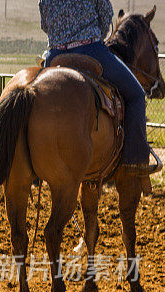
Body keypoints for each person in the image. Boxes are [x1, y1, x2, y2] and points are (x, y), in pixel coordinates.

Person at [39, 0, 155, 187]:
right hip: (91, 51)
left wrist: (61, 38)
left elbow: (45, 24)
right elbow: (105, 15)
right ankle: (135, 161)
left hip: (55, 55)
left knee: (34, 95)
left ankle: (32, 161)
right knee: (136, 96)